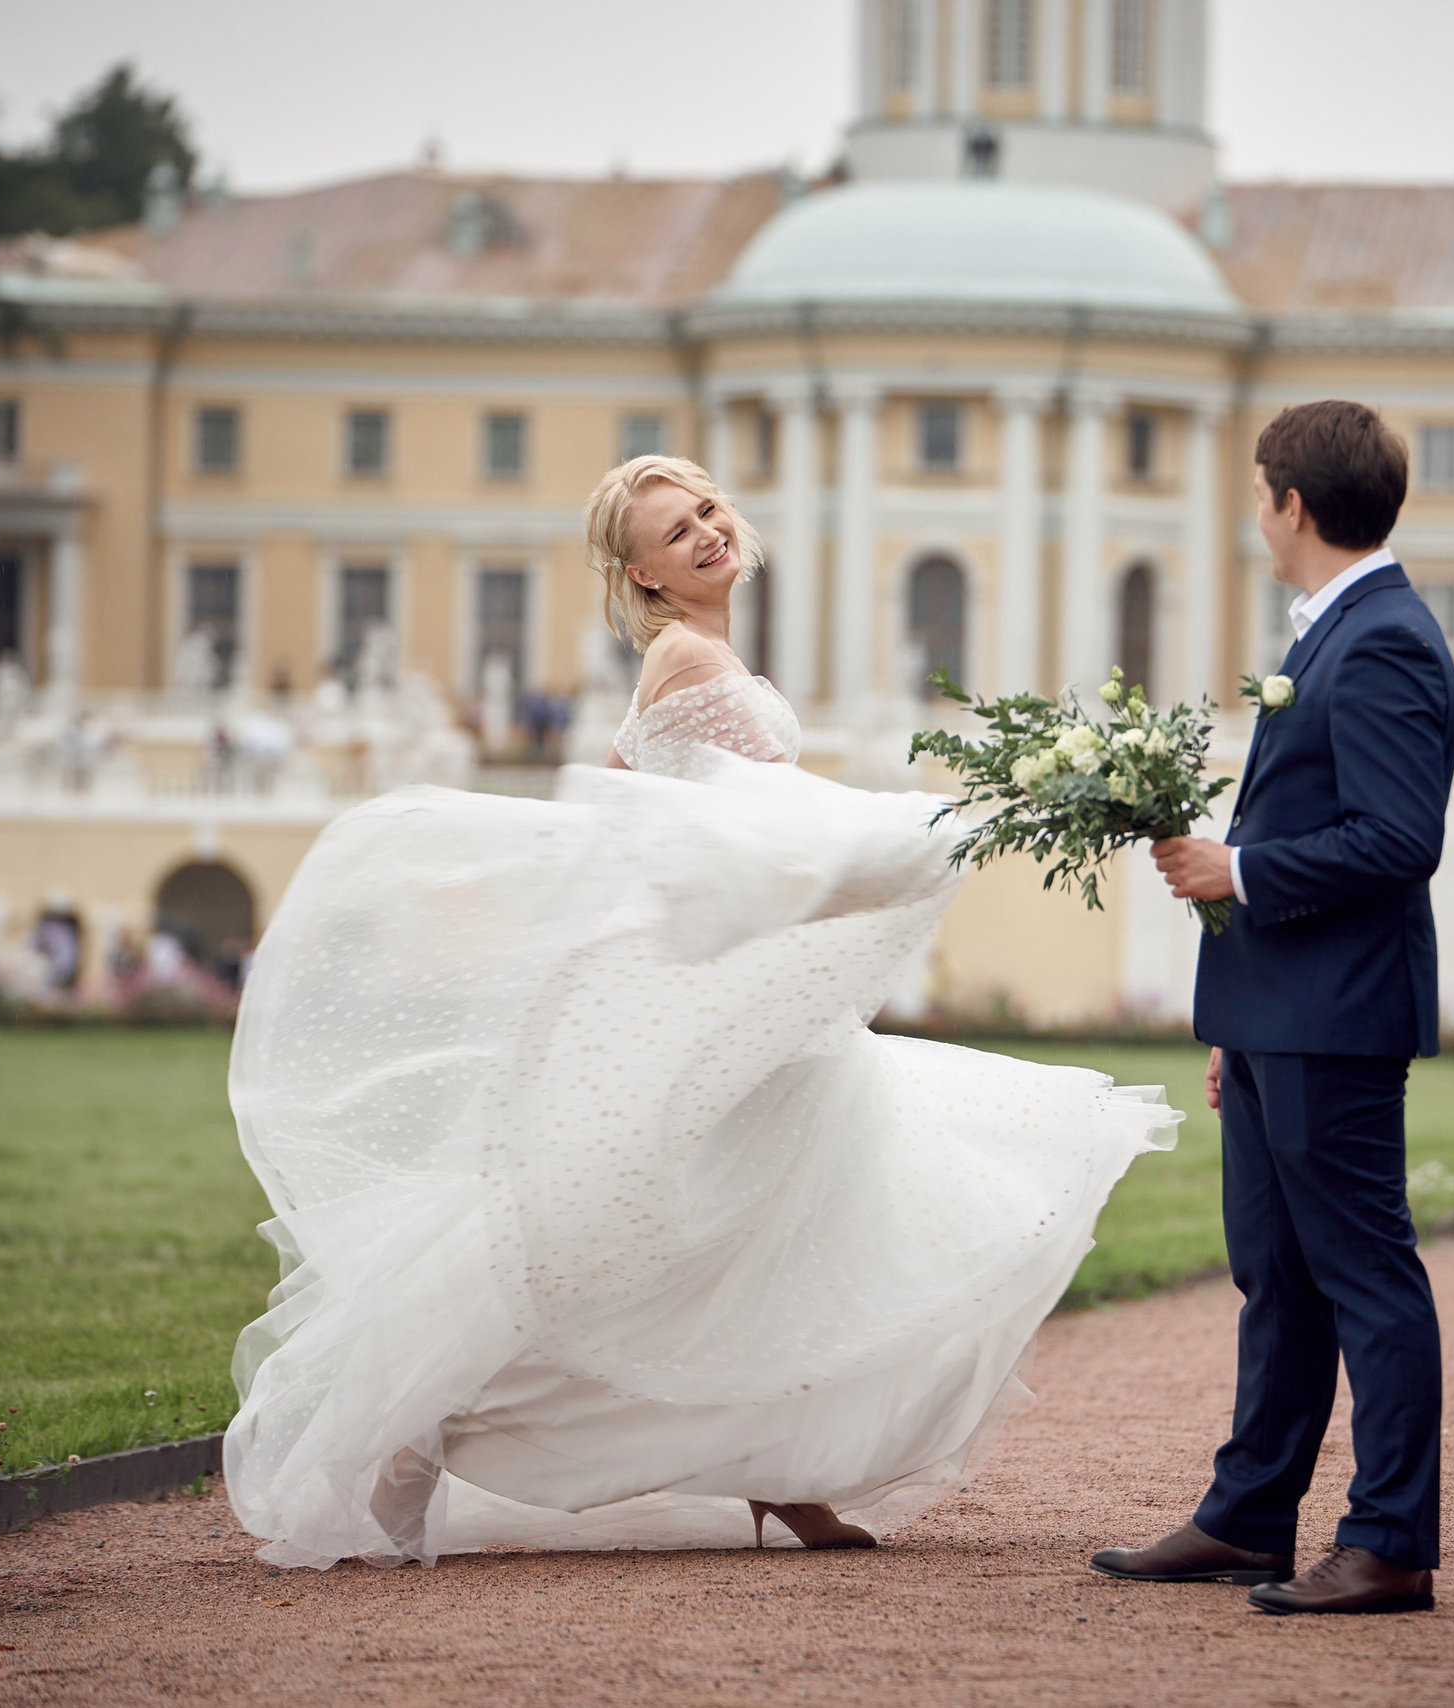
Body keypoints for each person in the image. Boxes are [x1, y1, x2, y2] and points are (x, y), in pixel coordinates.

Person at [222, 453, 1177, 1570]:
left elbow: (646, 800)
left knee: (752, 1231)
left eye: (708, 511)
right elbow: (789, 822)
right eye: (677, 532)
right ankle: (438, 1416)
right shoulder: (687, 655)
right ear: (642, 574)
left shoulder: (696, 656)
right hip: (732, 1002)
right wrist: (960, 820)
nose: (708, 534)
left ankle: (776, 1473)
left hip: (741, 991)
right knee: (702, 1237)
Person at [1109, 399, 1454, 1616]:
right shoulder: (1329, 634)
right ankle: (1250, 1516)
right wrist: (1235, 1020)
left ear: (1290, 504)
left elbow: (1398, 839)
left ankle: (1391, 1540)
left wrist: (1236, 869)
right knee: (1278, 1274)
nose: (1255, 514)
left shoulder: (1384, 641)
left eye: (1260, 494)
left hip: (1339, 1015)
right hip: (1277, 1016)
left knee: (1365, 1274)